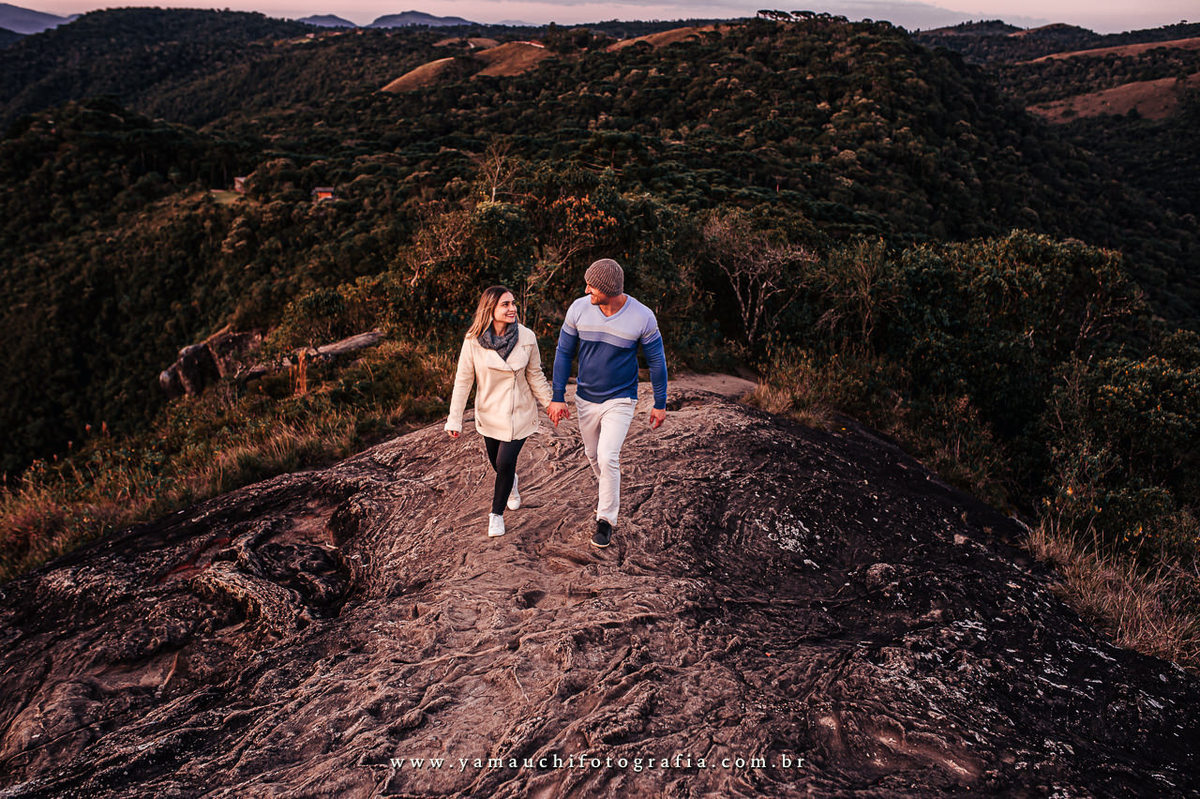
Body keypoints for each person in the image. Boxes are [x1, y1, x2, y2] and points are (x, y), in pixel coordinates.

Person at [548, 258, 667, 549]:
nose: (586, 290)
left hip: (621, 398)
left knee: (607, 455)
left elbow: (656, 361)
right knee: (592, 454)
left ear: (609, 289)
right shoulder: (578, 309)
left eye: (592, 286)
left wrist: (660, 402)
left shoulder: (642, 316)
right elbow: (563, 353)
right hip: (585, 398)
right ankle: (608, 492)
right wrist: (557, 396)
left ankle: (605, 520)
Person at [446, 285, 553, 538]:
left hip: (520, 412)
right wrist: (455, 419)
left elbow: (535, 374)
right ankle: (511, 483)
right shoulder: (473, 340)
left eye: (513, 303)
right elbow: (463, 381)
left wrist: (550, 403)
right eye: (505, 304)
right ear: (490, 309)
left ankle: (496, 514)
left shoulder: (527, 337)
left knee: (505, 462)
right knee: (497, 463)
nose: (512, 308)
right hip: (489, 412)